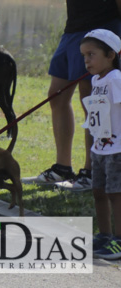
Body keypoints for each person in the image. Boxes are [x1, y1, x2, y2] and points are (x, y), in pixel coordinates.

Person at [25, 0, 121, 192]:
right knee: (57, 96)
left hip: (99, 30)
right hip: (73, 32)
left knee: (92, 103)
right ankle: (63, 167)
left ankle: (92, 172)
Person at [78, 29, 121, 259]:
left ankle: (119, 240)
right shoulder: (96, 80)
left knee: (116, 194)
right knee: (98, 191)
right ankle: (104, 235)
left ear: (110, 55)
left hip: (117, 149)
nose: (86, 60)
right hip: (99, 148)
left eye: (91, 54)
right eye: (84, 55)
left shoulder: (116, 79)